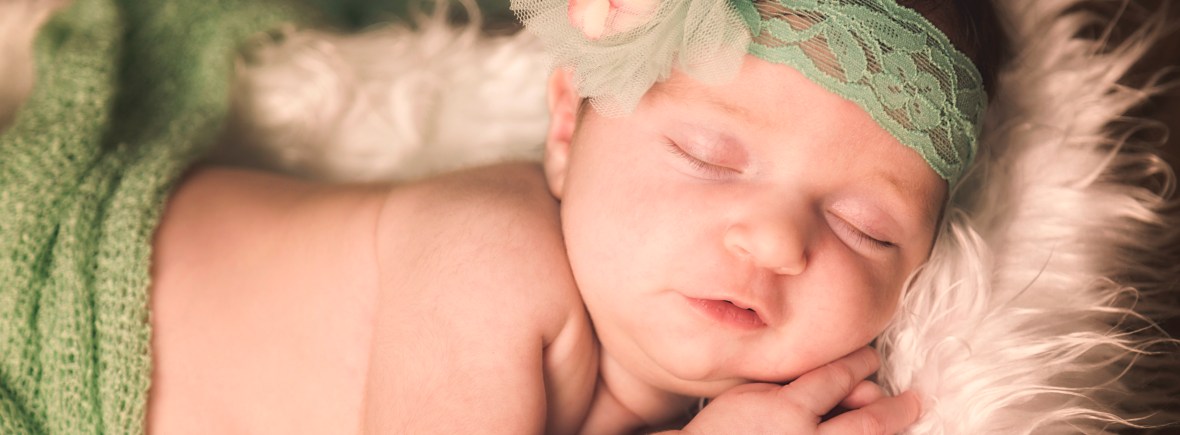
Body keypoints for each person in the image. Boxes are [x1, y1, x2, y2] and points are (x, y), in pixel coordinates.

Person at [0, 0, 1002, 433]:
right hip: (43, 306)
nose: (776, 242)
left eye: (866, 227)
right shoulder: (491, 254)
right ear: (566, 126)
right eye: (707, 155)